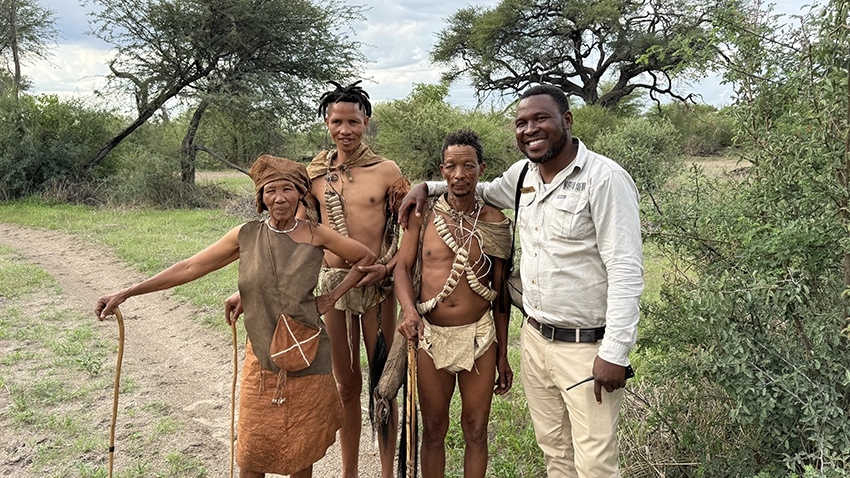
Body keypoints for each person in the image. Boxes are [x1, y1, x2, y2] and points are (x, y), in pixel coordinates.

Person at [401, 85, 644, 477]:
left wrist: (615, 351)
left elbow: (626, 269)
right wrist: (426, 187)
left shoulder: (605, 179)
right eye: (521, 122)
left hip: (587, 346)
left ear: (566, 120)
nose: (530, 129)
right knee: (555, 452)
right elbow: (471, 187)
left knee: (596, 461)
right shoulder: (521, 177)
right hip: (535, 339)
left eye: (541, 119)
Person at [95, 155, 376, 478]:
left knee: (302, 453)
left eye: (288, 189)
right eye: (271, 190)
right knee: (252, 454)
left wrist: (330, 298)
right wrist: (127, 292)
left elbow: (365, 258)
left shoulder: (316, 234)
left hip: (309, 357)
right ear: (261, 196)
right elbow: (190, 267)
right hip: (261, 359)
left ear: (300, 193)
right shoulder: (245, 235)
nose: (280, 198)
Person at [394, 129, 513, 478]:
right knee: (433, 429)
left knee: (476, 429)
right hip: (432, 336)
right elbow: (401, 267)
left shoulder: (494, 221)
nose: (460, 175)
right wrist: (409, 310)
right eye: (451, 166)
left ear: (482, 168)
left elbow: (501, 293)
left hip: (480, 336)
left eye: (469, 166)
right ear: (441, 170)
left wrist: (503, 353)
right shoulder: (423, 214)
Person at [305, 81, 407, 478]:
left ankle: (385, 473)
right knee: (346, 386)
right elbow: (301, 233)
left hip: (378, 288)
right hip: (334, 288)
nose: (344, 129)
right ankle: (349, 473)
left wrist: (387, 266)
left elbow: (408, 234)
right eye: (336, 121)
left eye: (352, 121)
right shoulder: (314, 175)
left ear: (366, 121)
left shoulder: (386, 172)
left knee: (384, 383)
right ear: (327, 123)